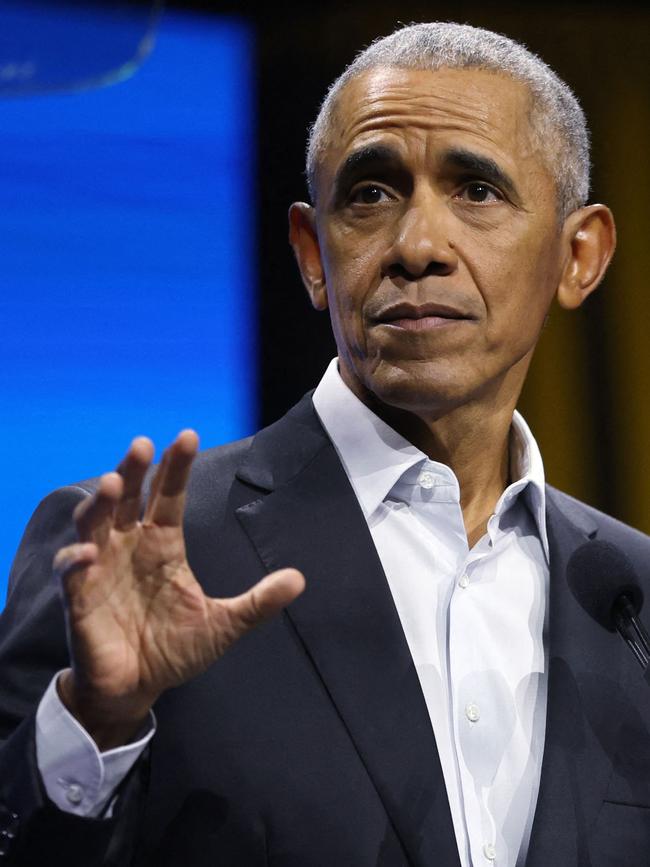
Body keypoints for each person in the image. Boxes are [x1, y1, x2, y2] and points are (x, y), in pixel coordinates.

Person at [1, 20, 649, 867]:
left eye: (477, 192)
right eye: (371, 195)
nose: (417, 247)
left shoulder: (631, 597)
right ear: (313, 255)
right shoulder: (138, 551)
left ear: (579, 255)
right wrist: (93, 726)